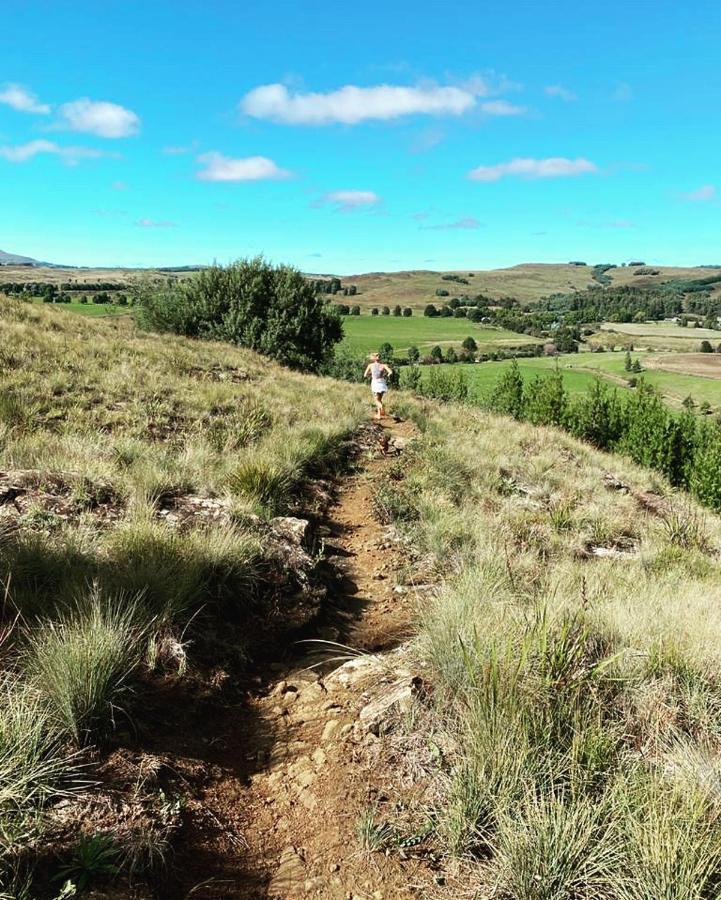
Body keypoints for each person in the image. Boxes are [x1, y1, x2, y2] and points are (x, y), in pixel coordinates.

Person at [364, 352, 393, 421]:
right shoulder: (383, 365)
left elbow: (365, 375)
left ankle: (381, 407)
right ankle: (379, 415)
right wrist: (387, 375)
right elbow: (390, 372)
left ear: (373, 358)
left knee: (376, 399)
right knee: (379, 399)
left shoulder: (370, 365)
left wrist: (369, 374)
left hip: (375, 382)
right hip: (382, 382)